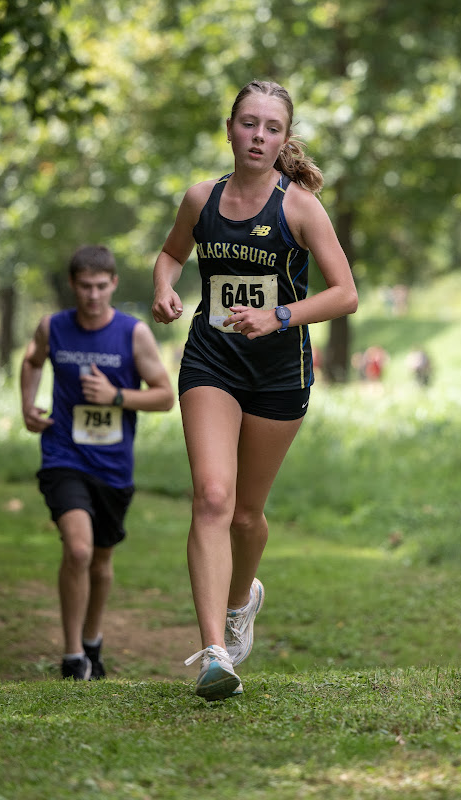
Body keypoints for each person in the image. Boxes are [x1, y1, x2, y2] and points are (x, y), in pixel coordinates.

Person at [151, 80, 358, 701]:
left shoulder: (299, 208)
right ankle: (215, 653)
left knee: (245, 514)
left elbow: (345, 294)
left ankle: (242, 599)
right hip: (211, 360)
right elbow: (171, 254)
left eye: (272, 128)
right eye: (248, 123)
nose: (258, 137)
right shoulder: (201, 199)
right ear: (230, 129)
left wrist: (280, 316)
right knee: (213, 497)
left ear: (284, 138)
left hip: (278, 374)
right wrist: (163, 287)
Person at [21, 244, 174, 680]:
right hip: (63, 454)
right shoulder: (53, 327)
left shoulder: (133, 334)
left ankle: (92, 641)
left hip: (112, 464)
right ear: (73, 285)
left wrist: (116, 396)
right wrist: (27, 405)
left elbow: (165, 396)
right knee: (78, 549)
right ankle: (73, 657)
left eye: (101, 286)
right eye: (85, 286)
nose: (93, 295)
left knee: (101, 561)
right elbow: (32, 361)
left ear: (114, 284)